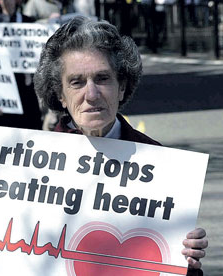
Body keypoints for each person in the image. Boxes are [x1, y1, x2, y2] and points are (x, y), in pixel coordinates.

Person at [34, 16, 208, 275]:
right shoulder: (29, 163)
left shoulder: (161, 163)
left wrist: (187, 262)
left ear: (122, 87)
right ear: (60, 94)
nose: (91, 94)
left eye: (102, 78)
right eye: (77, 82)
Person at [0, 0, 43, 130]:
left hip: (25, 84)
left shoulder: (28, 21)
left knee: (30, 124)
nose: (7, 2)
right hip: (2, 85)